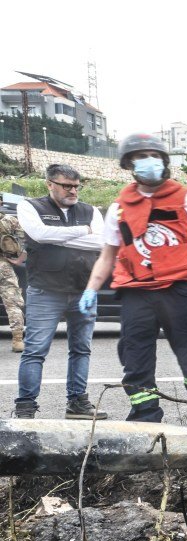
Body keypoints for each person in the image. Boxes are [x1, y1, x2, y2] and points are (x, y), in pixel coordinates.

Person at [79, 133, 187, 428]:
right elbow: (108, 255)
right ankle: (146, 421)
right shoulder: (120, 207)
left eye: (155, 155)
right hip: (136, 294)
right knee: (136, 363)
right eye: (141, 156)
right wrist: (90, 289)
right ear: (129, 164)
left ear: (164, 161)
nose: (149, 161)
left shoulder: (186, 199)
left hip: (178, 291)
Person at [14, 165, 107, 420]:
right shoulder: (30, 206)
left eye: (76, 186)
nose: (73, 191)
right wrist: (84, 231)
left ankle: (77, 403)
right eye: (67, 186)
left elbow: (101, 242)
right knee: (35, 350)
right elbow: (39, 234)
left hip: (83, 290)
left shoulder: (90, 210)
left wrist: (57, 238)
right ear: (50, 184)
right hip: (45, 290)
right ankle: (25, 407)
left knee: (81, 349)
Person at [0, 212, 25, 353]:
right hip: (4, 266)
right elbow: (26, 239)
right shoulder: (9, 220)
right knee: (13, 304)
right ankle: (17, 341)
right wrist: (20, 259)